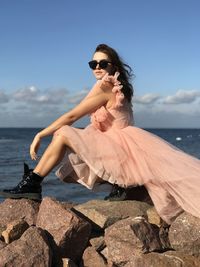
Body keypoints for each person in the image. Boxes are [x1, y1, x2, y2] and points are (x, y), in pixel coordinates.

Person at [1, 44, 200, 225]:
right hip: (124, 145)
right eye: (93, 63)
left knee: (63, 132)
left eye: (102, 63)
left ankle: (32, 184)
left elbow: (72, 115)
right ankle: (118, 187)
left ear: (113, 66)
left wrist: (40, 134)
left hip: (119, 147)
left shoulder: (106, 87)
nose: (97, 66)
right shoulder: (118, 86)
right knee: (70, 135)